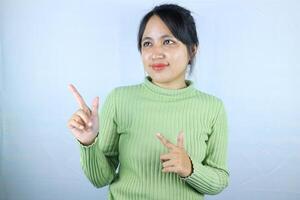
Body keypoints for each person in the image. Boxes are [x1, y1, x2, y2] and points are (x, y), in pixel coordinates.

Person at [67, 3, 229, 200]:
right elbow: (100, 179)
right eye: (147, 43)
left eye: (168, 41)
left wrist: (190, 168)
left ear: (192, 49)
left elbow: (219, 179)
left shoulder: (212, 108)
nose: (155, 53)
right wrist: (89, 142)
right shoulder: (120, 100)